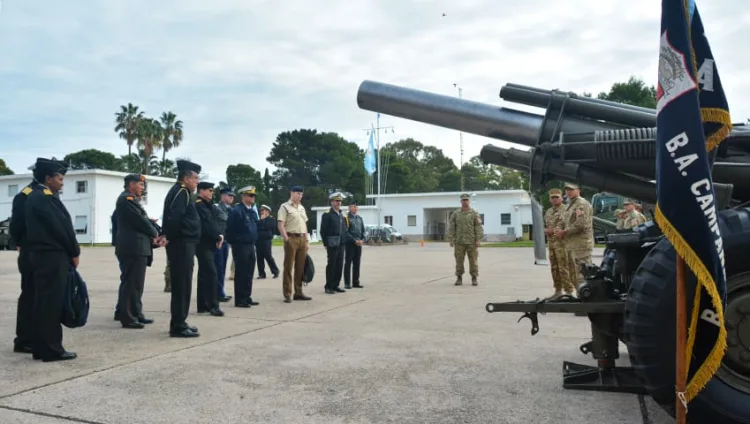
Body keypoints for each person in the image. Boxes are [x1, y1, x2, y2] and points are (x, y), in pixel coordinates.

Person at [24, 157, 79, 361]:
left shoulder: (36, 196)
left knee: (43, 302)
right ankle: (52, 348)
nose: (62, 183)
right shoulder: (45, 198)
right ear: (48, 179)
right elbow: (61, 228)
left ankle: (40, 347)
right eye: (60, 179)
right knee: (51, 304)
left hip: (42, 255)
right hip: (52, 256)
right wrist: (74, 252)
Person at [115, 174, 163, 329]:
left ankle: (136, 313)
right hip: (132, 248)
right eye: (140, 185)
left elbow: (144, 220)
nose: (143, 188)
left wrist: (154, 228)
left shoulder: (131, 200)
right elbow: (140, 221)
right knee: (131, 284)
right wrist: (155, 234)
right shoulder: (126, 200)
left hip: (137, 247)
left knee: (136, 284)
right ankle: (128, 317)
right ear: (131, 184)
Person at [162, 159, 202, 338]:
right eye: (195, 178)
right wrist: (169, 236)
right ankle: (178, 325)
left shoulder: (181, 191)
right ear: (186, 178)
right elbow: (175, 218)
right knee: (182, 285)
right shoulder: (182, 192)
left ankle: (180, 321)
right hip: (181, 244)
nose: (197, 182)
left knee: (183, 285)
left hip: (183, 244)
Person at [9, 173, 43, 354]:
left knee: (38, 296)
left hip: (39, 251)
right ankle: (24, 339)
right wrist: (21, 242)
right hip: (30, 251)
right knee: (30, 296)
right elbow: (16, 224)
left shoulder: (43, 193)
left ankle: (35, 336)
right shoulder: (26, 194)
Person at [554, 182, 594, 293]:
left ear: (578, 190)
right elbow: (565, 221)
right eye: (567, 190)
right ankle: (580, 296)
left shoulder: (581, 204)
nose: (569, 192)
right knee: (574, 275)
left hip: (581, 245)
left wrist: (564, 232)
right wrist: (559, 229)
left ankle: (586, 298)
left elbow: (581, 225)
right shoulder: (571, 205)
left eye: (572, 189)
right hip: (572, 245)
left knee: (583, 274)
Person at [225, 185, 259, 308]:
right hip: (240, 245)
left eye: (254, 195)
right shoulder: (237, 211)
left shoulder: (251, 211)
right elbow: (230, 228)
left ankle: (247, 296)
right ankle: (240, 299)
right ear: (243, 196)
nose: (253, 197)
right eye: (250, 195)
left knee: (249, 272)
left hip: (250, 244)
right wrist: (234, 242)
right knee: (241, 273)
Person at [276, 185, 312, 303]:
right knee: (288, 267)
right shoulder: (284, 207)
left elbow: (304, 225)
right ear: (292, 193)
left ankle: (298, 292)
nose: (300, 196)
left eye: (301, 194)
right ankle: (287, 293)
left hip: (302, 239)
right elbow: (280, 225)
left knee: (300, 267)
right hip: (291, 237)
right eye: (298, 193)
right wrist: (287, 239)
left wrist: (307, 241)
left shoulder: (301, 208)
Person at [195, 182, 225, 316]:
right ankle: (213, 305)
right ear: (201, 191)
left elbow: (214, 223)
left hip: (209, 243)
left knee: (203, 274)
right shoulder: (199, 205)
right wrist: (217, 236)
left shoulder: (208, 205)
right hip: (202, 244)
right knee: (211, 273)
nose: (212, 193)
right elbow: (206, 225)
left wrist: (219, 236)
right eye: (210, 190)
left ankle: (203, 305)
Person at [447, 193, 484, 286]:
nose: (465, 201)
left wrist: (478, 239)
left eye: (466, 200)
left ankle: (474, 278)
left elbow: (478, 227)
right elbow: (452, 227)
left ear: (469, 201)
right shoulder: (456, 214)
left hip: (472, 241)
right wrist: (451, 239)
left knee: (473, 261)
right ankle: (459, 278)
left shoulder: (474, 213)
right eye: (463, 200)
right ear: (461, 201)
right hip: (459, 242)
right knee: (459, 261)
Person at [543, 188, 574, 299]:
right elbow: (546, 226)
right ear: (550, 199)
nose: (555, 199)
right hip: (552, 244)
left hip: (563, 245)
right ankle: (558, 291)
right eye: (552, 197)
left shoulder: (567, 210)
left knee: (564, 268)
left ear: (561, 198)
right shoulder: (548, 212)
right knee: (554, 268)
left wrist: (552, 231)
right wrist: (545, 230)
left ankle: (569, 292)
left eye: (557, 197)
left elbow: (569, 228)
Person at [320, 192, 348, 294]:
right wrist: (325, 243)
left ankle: (336, 285)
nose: (338, 203)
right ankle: (328, 286)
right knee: (332, 264)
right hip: (332, 243)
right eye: (336, 201)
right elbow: (323, 230)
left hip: (341, 243)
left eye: (340, 201)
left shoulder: (342, 214)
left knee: (339, 265)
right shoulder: (327, 214)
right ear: (332, 202)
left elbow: (345, 229)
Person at [213, 186, 234, 302]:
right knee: (218, 268)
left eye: (233, 196)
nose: (232, 197)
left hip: (226, 242)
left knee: (223, 267)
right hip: (218, 242)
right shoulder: (217, 208)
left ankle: (220, 291)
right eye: (229, 195)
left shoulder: (231, 209)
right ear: (222, 196)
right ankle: (218, 293)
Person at [343, 200, 365, 289]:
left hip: (358, 244)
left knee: (357, 263)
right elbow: (346, 232)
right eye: (353, 206)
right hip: (350, 244)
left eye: (356, 207)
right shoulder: (346, 218)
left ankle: (356, 282)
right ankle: (347, 283)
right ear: (349, 208)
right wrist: (354, 240)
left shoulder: (360, 218)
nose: (355, 208)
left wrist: (362, 239)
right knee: (348, 263)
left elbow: (363, 230)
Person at [256, 204, 280, 279]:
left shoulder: (271, 219)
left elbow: (267, 226)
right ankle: (261, 274)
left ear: (267, 211)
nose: (261, 212)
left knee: (268, 256)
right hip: (258, 241)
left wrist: (262, 221)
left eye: (263, 210)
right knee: (259, 257)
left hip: (266, 240)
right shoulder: (259, 220)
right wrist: (261, 221)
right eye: (261, 211)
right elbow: (257, 227)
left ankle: (275, 271)